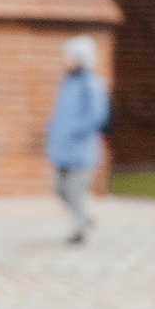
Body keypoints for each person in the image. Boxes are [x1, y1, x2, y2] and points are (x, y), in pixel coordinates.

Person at [46, 33, 112, 242]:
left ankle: (79, 230)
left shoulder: (91, 84)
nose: (65, 60)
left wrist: (76, 130)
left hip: (81, 147)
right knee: (59, 188)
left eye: (70, 56)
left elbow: (97, 115)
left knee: (76, 191)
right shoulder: (67, 82)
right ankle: (83, 216)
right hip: (62, 146)